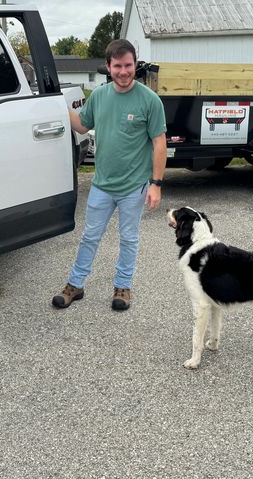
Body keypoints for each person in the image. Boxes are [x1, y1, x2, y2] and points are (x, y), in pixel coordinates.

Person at [52, 39, 167, 311]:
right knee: (90, 236)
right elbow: (82, 126)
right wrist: (56, 105)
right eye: (118, 66)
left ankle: (123, 288)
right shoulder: (100, 97)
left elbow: (159, 142)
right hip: (102, 185)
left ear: (135, 65)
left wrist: (156, 184)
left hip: (134, 187)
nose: (123, 71)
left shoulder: (149, 100)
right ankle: (75, 284)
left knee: (129, 238)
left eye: (128, 65)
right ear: (108, 67)